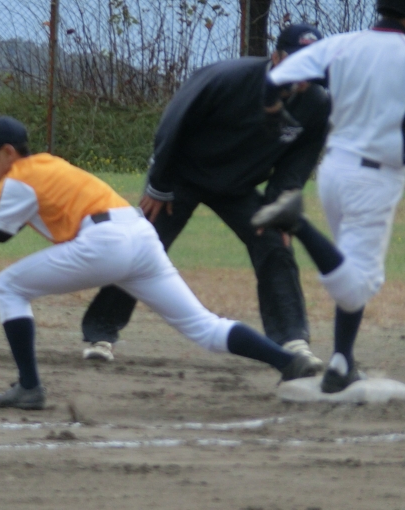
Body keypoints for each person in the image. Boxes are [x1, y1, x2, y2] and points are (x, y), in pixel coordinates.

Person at [0, 115, 318, 410]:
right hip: (138, 236)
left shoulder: (18, 181)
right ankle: (289, 363)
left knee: (10, 285)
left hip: (105, 244)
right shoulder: (45, 168)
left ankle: (29, 387)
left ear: (7, 152)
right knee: (204, 326)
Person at [80, 24, 331, 369]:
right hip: (184, 174)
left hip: (238, 185)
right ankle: (101, 333)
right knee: (142, 244)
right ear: (275, 57)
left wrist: (278, 206)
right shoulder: (231, 79)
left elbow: (296, 164)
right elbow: (174, 122)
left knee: (274, 244)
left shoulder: (316, 103)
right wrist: (159, 184)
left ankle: (291, 341)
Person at [252, 0, 405, 393]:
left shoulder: (344, 44)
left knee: (348, 265)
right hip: (375, 178)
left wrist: (274, 114)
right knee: (357, 285)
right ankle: (296, 222)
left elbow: (274, 80)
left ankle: (341, 361)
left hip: (334, 170)